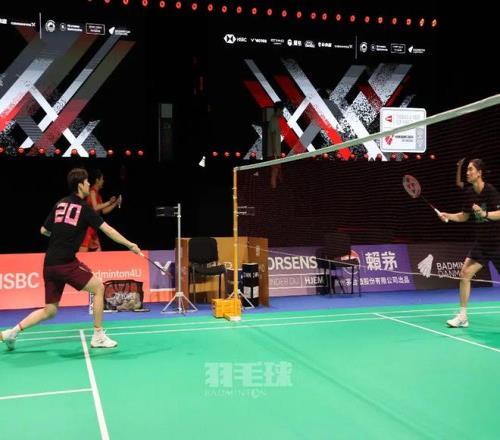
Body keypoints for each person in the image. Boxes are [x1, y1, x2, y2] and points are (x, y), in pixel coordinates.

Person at [0, 168, 141, 350]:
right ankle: (98, 336)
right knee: (98, 288)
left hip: (50, 263)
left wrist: (61, 234)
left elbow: (44, 230)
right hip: (66, 263)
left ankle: (12, 333)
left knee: (50, 310)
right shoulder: (84, 208)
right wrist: (130, 245)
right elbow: (108, 230)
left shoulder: (60, 204)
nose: (89, 184)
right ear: (80, 185)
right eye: (87, 181)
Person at [439, 159, 500, 328]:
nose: (467, 172)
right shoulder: (468, 193)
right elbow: (464, 216)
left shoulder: (490, 190)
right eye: (466, 170)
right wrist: (448, 215)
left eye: (470, 169)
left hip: (497, 242)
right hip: (482, 243)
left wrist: (484, 213)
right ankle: (463, 316)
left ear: (479, 173)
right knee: (465, 273)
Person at [79, 169, 121, 252]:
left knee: (98, 251)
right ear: (97, 180)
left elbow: (104, 211)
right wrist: (109, 202)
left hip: (93, 227)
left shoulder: (98, 195)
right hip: (87, 227)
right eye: (102, 179)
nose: (103, 181)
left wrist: (115, 203)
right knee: (83, 253)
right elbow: (95, 208)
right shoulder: (92, 191)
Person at [267, 101, 284, 188]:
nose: (283, 112)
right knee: (275, 170)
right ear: (278, 110)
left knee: (278, 169)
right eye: (282, 110)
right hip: (274, 152)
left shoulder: (275, 119)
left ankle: (281, 185)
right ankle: (273, 188)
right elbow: (273, 135)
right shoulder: (274, 119)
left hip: (276, 151)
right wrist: (275, 152)